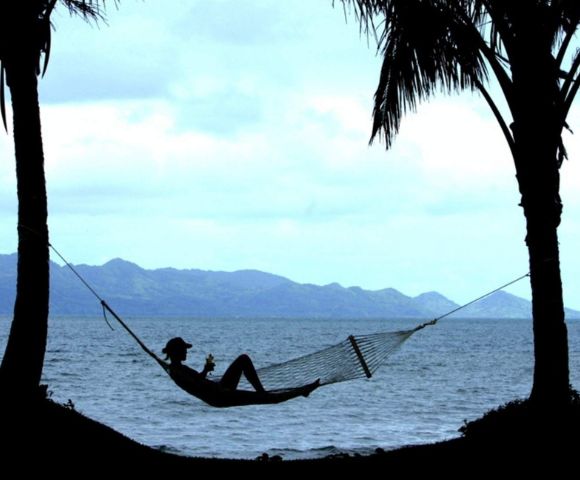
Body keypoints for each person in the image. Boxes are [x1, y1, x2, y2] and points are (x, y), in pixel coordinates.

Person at [162, 337, 320, 408]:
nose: (186, 352)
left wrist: (206, 370)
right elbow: (195, 384)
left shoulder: (178, 368)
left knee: (243, 360)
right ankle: (301, 391)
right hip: (219, 395)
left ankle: (297, 392)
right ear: (176, 351)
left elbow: (197, 381)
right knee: (269, 399)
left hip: (219, 390)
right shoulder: (176, 370)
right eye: (184, 349)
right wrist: (205, 372)